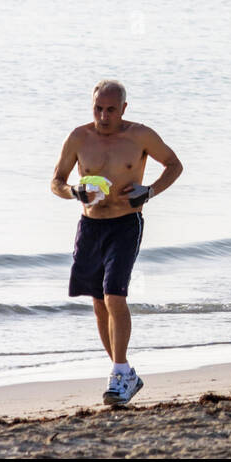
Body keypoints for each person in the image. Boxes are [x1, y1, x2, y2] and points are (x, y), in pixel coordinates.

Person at [50, 79, 183, 405]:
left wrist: (149, 191)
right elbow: (56, 181)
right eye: (98, 108)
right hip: (90, 226)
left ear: (123, 108)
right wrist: (73, 192)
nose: (104, 116)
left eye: (111, 109)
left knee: (114, 295)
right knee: (98, 302)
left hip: (126, 223)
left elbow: (174, 165)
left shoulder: (139, 136)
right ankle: (124, 374)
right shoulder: (79, 137)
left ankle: (118, 374)